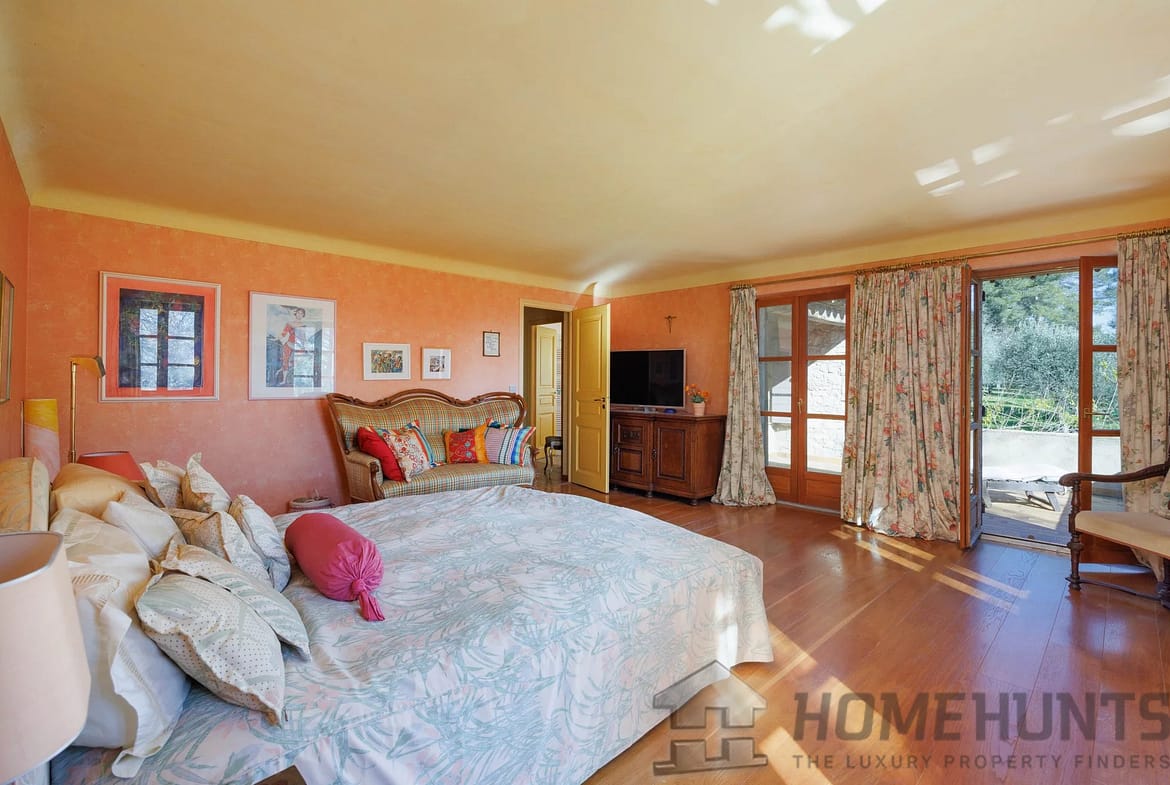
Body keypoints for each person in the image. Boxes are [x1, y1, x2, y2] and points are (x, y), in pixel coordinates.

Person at [278, 307, 307, 385]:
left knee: (300, 362)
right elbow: (283, 334)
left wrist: (304, 345)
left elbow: (304, 337)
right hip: (289, 344)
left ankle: (298, 380)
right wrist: (278, 338)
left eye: (301, 313)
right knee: (285, 361)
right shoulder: (289, 323)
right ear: (295, 314)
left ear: (303, 315)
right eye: (298, 313)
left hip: (299, 345)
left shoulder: (304, 325)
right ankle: (284, 380)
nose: (299, 314)